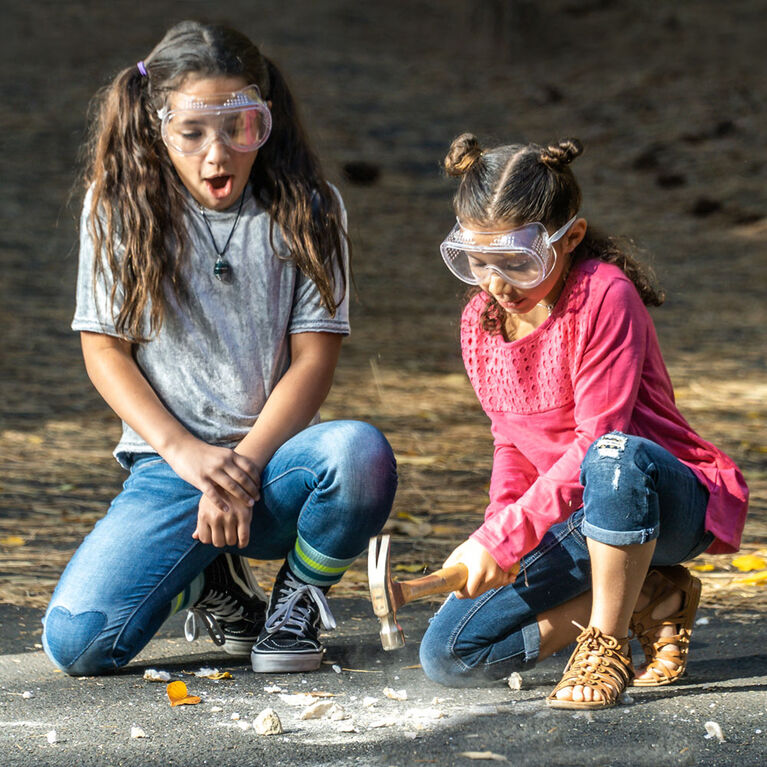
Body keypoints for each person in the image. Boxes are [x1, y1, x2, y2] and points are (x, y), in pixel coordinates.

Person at [42, 20, 397, 677]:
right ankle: (213, 581)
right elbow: (105, 352)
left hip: (277, 463)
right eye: (192, 132)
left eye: (240, 127)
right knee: (79, 644)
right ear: (156, 125)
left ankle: (296, 606)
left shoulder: (311, 208)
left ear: (265, 119)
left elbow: (313, 360)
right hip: (170, 468)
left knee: (358, 455)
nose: (218, 156)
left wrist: (243, 466)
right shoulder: (117, 207)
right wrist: (189, 456)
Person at [419, 134, 748, 708]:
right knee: (449, 656)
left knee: (610, 455)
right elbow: (512, 443)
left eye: (517, 262)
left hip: (657, 497)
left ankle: (607, 641)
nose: (497, 283)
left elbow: (600, 436)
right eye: (478, 261)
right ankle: (646, 592)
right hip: (569, 516)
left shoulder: (604, 295)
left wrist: (507, 536)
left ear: (569, 238)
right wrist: (501, 535)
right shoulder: (480, 320)